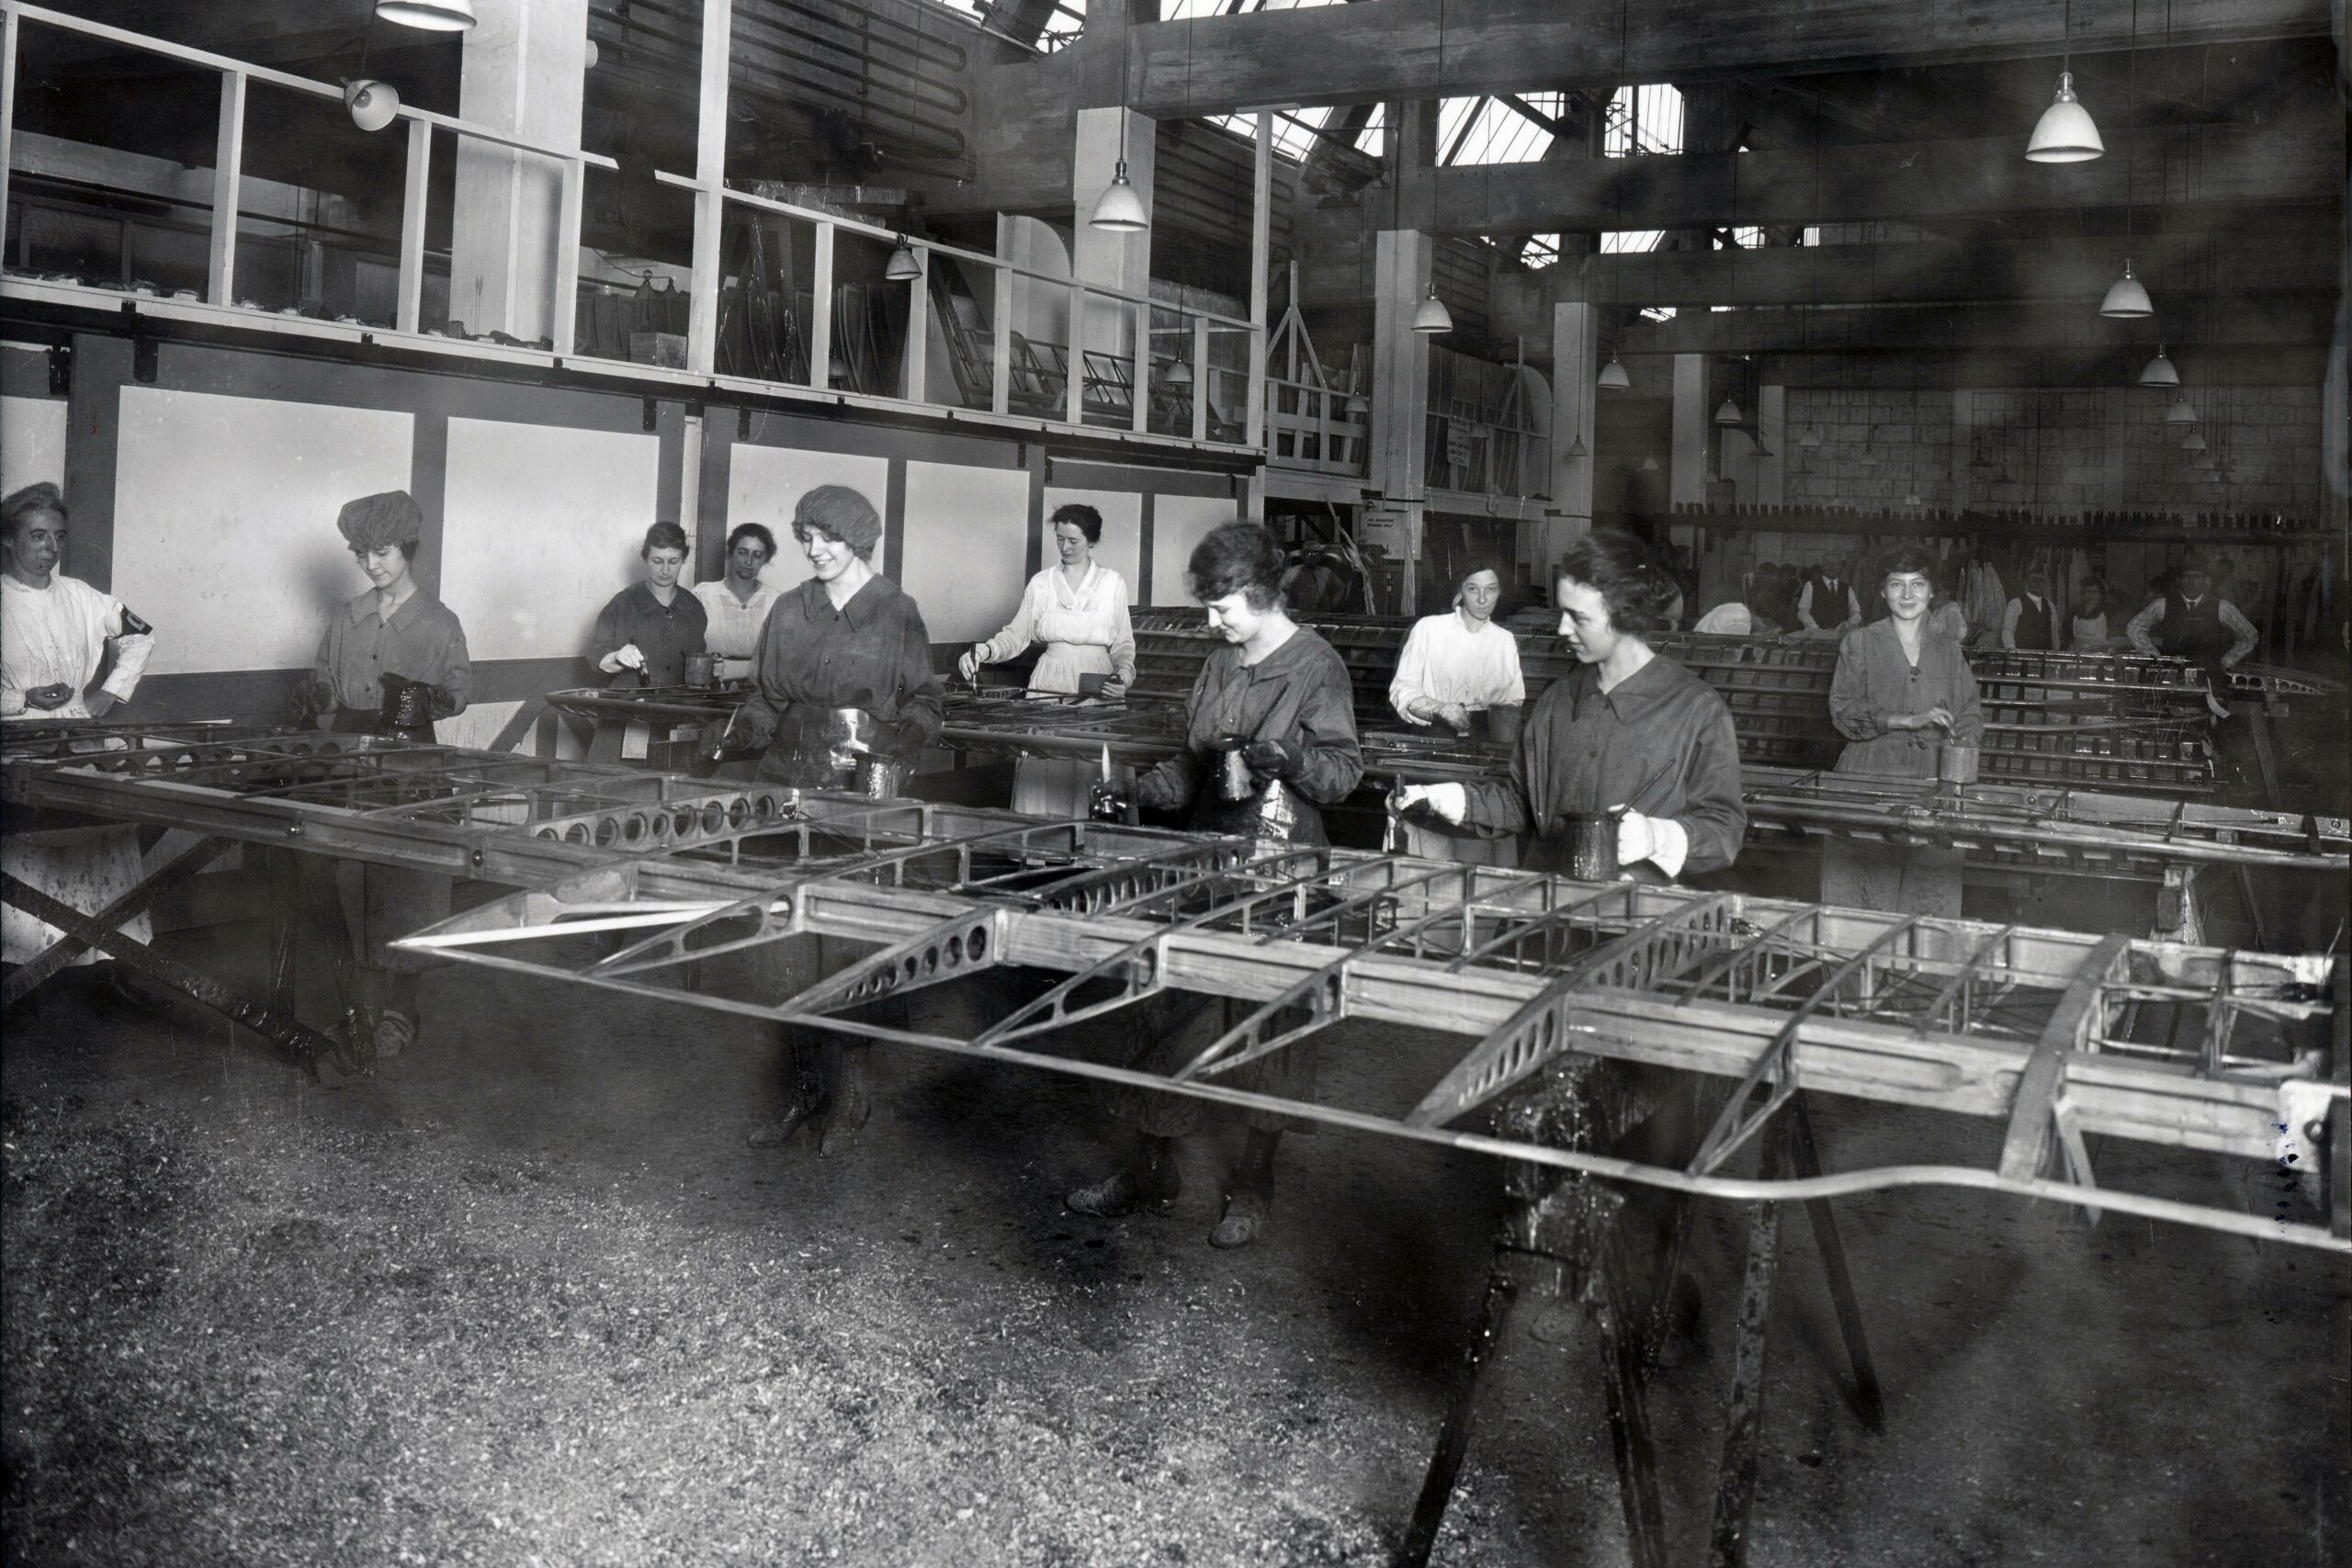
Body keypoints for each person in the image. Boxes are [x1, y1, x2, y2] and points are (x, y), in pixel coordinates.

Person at [1065, 523, 1362, 1250]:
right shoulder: (1220, 661)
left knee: (1272, 1025)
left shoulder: (1316, 666)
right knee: (1167, 1003)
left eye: (1222, 606)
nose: (1211, 620)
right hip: (1205, 863)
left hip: (1283, 864)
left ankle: (1253, 1184)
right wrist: (1135, 790)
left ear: (1261, 596)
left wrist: (1291, 757)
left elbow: (1345, 772)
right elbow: (1193, 766)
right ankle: (1149, 1168)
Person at [733, 485, 943, 1156]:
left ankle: (852, 1095)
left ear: (860, 539)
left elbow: (927, 704)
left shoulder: (895, 611)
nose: (813, 550)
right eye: (806, 537)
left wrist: (897, 749)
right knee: (782, 941)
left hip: (860, 796)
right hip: (787, 785)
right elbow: (765, 694)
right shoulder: (791, 609)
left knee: (851, 941)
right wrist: (747, 730)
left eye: (827, 538)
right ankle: (805, 1091)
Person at [1396, 530, 1745, 886]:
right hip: (1547, 911)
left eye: (1578, 617)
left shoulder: (1696, 709)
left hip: (1637, 917)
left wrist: (1658, 837)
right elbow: (1523, 804)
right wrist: (1448, 799)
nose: (1563, 628)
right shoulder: (1557, 701)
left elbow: (1724, 830)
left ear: (1626, 616)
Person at [301, 490, 472, 1056]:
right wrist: (319, 697)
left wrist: (430, 701)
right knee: (351, 880)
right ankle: (360, 1008)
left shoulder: (439, 621)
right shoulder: (347, 617)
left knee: (408, 885)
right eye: (360, 554)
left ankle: (402, 1010)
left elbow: (460, 692)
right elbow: (323, 680)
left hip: (412, 760)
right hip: (349, 756)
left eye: (383, 552)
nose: (372, 564)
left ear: (408, 548)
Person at [0, 482, 159, 991]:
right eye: (37, 536)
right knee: (29, 856)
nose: (49, 548)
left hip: (79, 738)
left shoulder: (84, 598)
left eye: (58, 537)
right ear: (9, 540)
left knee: (96, 845)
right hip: (14, 745)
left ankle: (99, 961)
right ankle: (24, 972)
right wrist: (21, 700)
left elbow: (141, 634)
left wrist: (108, 694)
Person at [1821, 545, 1983, 917]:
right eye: (1897, 585)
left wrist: (1961, 744)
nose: (1907, 595)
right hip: (1868, 781)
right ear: (1882, 591)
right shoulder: (1859, 643)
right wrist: (1902, 720)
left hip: (1934, 786)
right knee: (1861, 901)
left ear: (1931, 591)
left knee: (1930, 905)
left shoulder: (1948, 650)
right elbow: (1842, 711)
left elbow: (1970, 711)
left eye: (1917, 584)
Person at [956, 502, 1138, 816]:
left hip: (1097, 684)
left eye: (1073, 541)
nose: (1064, 547)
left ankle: (1096, 847)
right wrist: (984, 651)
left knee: (1092, 766)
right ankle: (1044, 850)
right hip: (1050, 681)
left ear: (1092, 541)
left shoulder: (1112, 583)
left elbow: (1123, 643)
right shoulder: (1042, 583)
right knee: (1047, 765)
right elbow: (1017, 635)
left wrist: (1123, 676)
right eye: (1059, 539)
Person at [1388, 558, 1525, 863]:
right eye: (1473, 589)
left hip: (1485, 756)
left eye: (1490, 590)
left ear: (1500, 592)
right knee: (1434, 843)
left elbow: (1514, 701)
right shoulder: (1429, 630)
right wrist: (1439, 708)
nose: (1481, 599)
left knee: (1481, 841)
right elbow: (1402, 691)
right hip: (1434, 744)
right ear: (1460, 591)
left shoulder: (1504, 641)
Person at [2126, 552, 2256, 705]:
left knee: (2209, 718)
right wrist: (2155, 657)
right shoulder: (2162, 605)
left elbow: (2250, 636)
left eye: (2197, 577)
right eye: (2187, 577)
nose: (2191, 582)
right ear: (2179, 580)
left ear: (2206, 581)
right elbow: (2134, 628)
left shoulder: (2223, 607)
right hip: (2171, 675)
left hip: (2209, 677)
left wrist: (2227, 661)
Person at [590, 521, 707, 688]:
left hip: (681, 705)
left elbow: (699, 657)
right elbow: (596, 656)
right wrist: (617, 656)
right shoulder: (623, 603)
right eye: (657, 561)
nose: (665, 570)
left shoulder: (693, 606)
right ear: (645, 559)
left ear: (683, 560)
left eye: (673, 561)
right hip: (630, 706)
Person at [692, 523, 785, 682]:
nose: (748, 561)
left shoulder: (776, 600)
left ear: (765, 559)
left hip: (761, 689)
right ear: (731, 553)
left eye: (757, 555)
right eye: (743, 552)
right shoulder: (704, 595)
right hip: (712, 688)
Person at [2001, 565, 2061, 650]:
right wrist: (2011, 648)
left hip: (2045, 659)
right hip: (2022, 659)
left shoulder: (2050, 605)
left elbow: (2054, 632)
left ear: (2045, 584)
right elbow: (2008, 629)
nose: (2038, 583)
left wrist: (2056, 651)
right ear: (2027, 582)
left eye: (2041, 580)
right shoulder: (2016, 603)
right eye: (2034, 580)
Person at [1796, 558, 1860, 636]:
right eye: (1828, 564)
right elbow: (1803, 612)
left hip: (1840, 637)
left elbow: (1856, 612)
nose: (1832, 567)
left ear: (1840, 568)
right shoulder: (1810, 586)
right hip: (1816, 636)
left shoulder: (1847, 588)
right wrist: (1815, 628)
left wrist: (1848, 625)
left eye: (1835, 564)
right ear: (1822, 567)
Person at [2069, 580, 2115, 651]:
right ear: (2083, 593)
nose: (2091, 595)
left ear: (2100, 594)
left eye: (2095, 592)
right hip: (2078, 653)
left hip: (2099, 654)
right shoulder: (2074, 611)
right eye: (2088, 592)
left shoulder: (2108, 612)